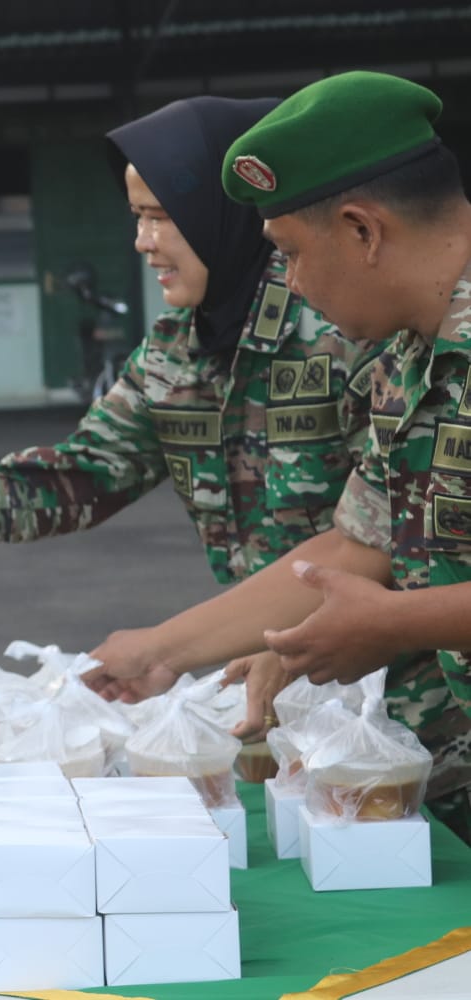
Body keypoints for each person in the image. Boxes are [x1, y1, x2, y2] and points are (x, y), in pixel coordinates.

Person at [0, 95, 382, 737]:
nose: (143, 243)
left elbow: (391, 536)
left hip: (400, 695)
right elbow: (78, 478)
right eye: (136, 218)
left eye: (162, 218)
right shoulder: (174, 350)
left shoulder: (343, 325)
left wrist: (183, 645)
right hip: (276, 695)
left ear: (227, 213)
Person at [84, 70, 471, 837]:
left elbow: (382, 595)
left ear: (362, 231)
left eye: (290, 254)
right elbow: (359, 544)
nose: (289, 284)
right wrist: (166, 652)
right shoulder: (408, 356)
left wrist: (398, 621)